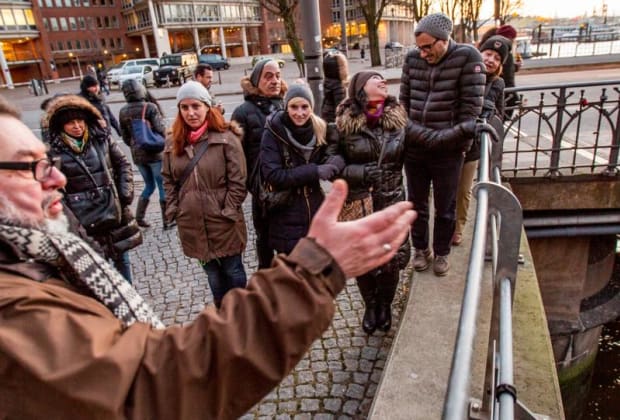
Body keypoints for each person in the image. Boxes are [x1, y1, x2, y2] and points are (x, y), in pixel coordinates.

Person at [0, 94, 416, 419]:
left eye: (47, 161)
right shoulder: (13, 309)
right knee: (217, 282)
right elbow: (152, 385)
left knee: (233, 276)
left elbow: (241, 179)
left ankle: (233, 311)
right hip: (197, 232)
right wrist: (313, 272)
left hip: (223, 227)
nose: (56, 177)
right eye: (28, 167)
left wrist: (227, 209)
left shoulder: (40, 255)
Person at [400, 12, 485, 276]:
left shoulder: (468, 57)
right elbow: (403, 106)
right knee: (416, 204)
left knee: (446, 207)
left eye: (427, 47)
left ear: (444, 40)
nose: (423, 53)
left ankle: (441, 253)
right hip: (415, 148)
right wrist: (422, 135)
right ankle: (420, 249)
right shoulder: (412, 59)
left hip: (448, 151)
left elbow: (470, 112)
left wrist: (446, 140)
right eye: (419, 47)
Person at [333, 71, 411, 334]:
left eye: (383, 78)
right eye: (375, 78)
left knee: (390, 260)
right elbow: (331, 165)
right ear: (360, 88)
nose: (382, 80)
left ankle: (385, 306)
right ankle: (370, 305)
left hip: (391, 201)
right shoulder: (344, 124)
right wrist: (360, 173)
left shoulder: (399, 121)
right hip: (361, 204)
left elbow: (423, 145)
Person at [162, 81, 247, 308]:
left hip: (223, 222)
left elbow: (238, 181)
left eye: (196, 106)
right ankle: (222, 314)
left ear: (207, 107)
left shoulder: (226, 138)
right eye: (185, 107)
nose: (191, 113)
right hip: (192, 223)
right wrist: (175, 209)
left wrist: (228, 210)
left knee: (233, 271)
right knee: (213, 275)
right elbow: (168, 179)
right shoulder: (172, 142)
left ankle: (242, 314)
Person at [42, 94, 142, 283]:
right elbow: (52, 187)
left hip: (113, 212)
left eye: (80, 121)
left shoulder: (101, 139)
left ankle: (128, 293)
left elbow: (122, 164)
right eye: (70, 122)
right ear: (61, 126)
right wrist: (70, 213)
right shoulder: (53, 152)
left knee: (122, 259)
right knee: (97, 265)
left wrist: (124, 194)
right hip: (85, 220)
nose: (77, 126)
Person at [260, 81, 343, 254]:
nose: (300, 113)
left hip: (315, 208)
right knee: (293, 266)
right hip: (286, 213)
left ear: (311, 107)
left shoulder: (319, 128)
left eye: (305, 107)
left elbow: (332, 154)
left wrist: (336, 162)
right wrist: (314, 171)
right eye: (294, 107)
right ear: (286, 107)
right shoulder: (273, 131)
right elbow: (273, 175)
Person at [231, 58, 288, 269]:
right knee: (265, 238)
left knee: (289, 236)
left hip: (288, 184)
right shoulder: (243, 112)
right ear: (256, 80)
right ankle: (267, 277)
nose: (275, 81)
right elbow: (236, 157)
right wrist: (253, 185)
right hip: (262, 190)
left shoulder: (286, 105)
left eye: (278, 76)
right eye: (268, 76)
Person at [451, 36, 508, 246]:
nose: (491, 60)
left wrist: (490, 118)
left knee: (463, 190)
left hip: (473, 146)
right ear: (479, 53)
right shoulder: (463, 73)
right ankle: (444, 224)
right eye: (488, 54)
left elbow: (500, 115)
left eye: (497, 58)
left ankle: (458, 228)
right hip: (452, 140)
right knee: (447, 187)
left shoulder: (498, 84)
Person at [118, 79, 168, 229]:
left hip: (138, 155)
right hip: (154, 153)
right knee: (162, 186)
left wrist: (135, 145)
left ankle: (139, 217)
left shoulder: (123, 111)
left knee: (149, 185)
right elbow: (160, 129)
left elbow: (125, 136)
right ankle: (167, 220)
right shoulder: (150, 107)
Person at [494, 25, 521, 119]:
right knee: (500, 121)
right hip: (505, 96)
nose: (514, 41)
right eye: (513, 38)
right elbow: (508, 79)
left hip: (499, 95)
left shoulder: (496, 50)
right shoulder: (506, 54)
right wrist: (514, 97)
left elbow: (502, 71)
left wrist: (515, 67)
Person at [321, 50, 349, 123]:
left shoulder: (328, 81)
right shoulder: (338, 86)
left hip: (326, 114)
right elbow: (340, 108)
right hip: (333, 118)